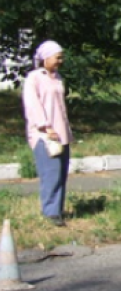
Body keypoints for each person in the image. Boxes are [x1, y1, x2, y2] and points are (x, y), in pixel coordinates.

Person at [22, 40, 73, 227]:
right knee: (50, 173)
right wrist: (46, 127)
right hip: (45, 134)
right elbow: (32, 105)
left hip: (62, 133)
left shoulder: (58, 77)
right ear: (45, 57)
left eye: (61, 57)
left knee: (61, 173)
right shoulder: (34, 78)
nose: (60, 60)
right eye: (57, 57)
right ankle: (50, 213)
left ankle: (57, 210)